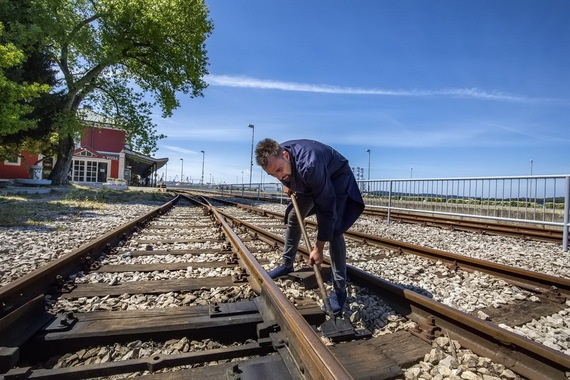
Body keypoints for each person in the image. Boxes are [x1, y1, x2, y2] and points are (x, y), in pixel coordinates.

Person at [255, 138, 364, 315]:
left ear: (285, 155)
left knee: (334, 229)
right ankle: (287, 264)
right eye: (273, 174)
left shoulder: (309, 164)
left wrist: (318, 248)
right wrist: (286, 182)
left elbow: (326, 207)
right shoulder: (281, 158)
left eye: (279, 171)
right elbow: (284, 173)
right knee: (293, 216)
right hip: (308, 179)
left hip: (336, 179)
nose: (279, 176)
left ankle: (339, 290)